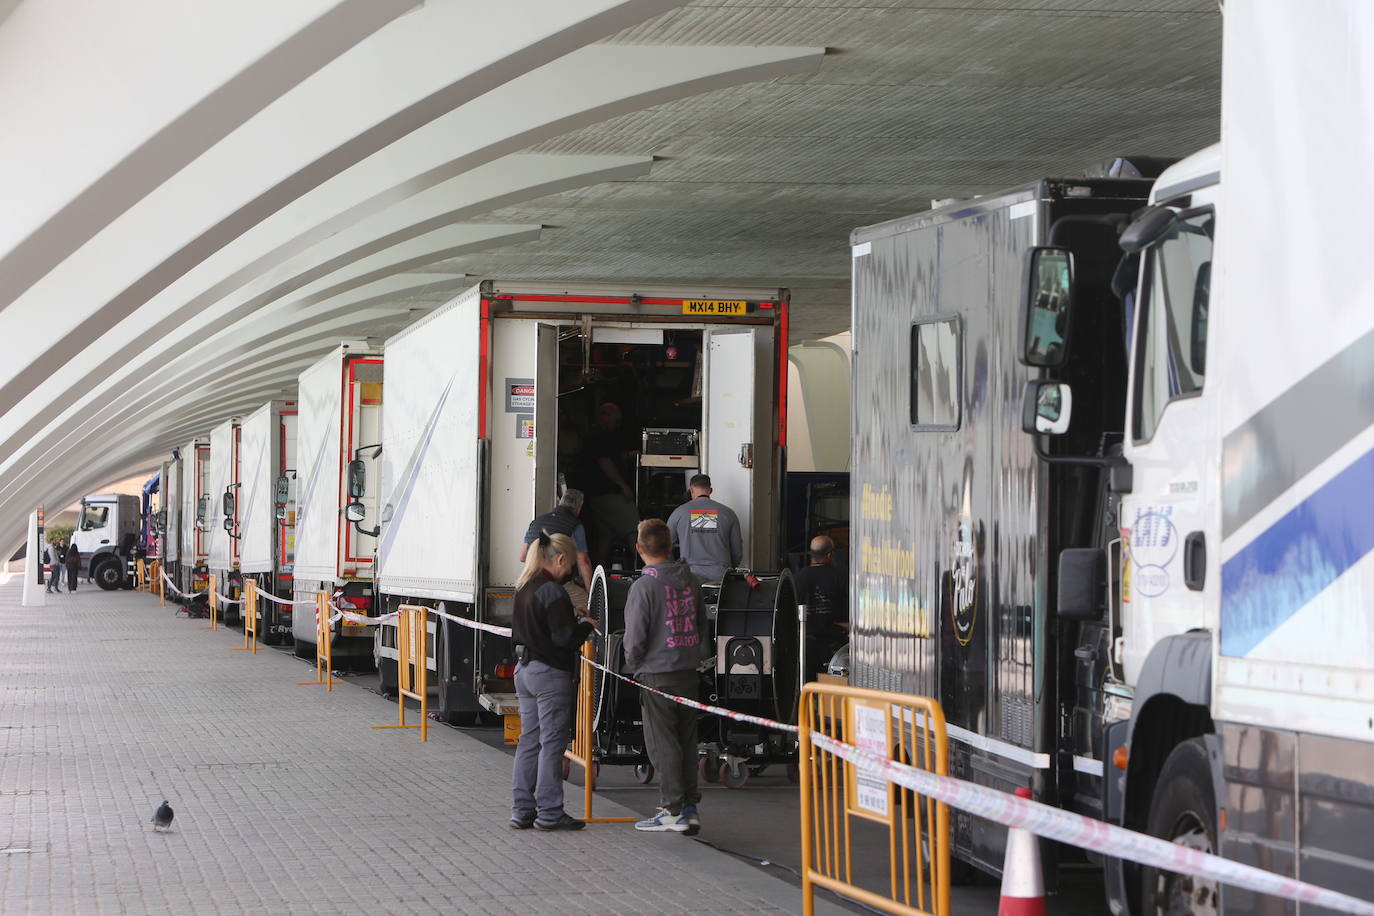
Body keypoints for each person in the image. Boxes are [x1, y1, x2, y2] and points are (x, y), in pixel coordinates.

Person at [622, 518, 709, 835]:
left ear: (639, 549)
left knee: (663, 745)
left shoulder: (643, 587)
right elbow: (701, 624)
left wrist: (632, 664)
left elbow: (635, 637)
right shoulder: (691, 580)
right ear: (670, 546)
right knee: (687, 741)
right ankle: (689, 806)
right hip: (687, 671)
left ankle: (672, 809)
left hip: (656, 673)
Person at [509, 531, 597, 832]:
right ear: (559, 559)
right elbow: (564, 639)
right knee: (552, 743)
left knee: (529, 741)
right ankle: (550, 812)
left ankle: (522, 810)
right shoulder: (553, 591)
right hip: (549, 674)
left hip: (523, 671)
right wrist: (585, 625)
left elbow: (541, 624)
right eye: (569, 565)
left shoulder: (524, 585)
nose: (570, 571)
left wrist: (570, 616)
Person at [582, 402, 640, 566]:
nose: (618, 424)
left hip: (597, 494)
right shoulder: (600, 435)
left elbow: (611, 457)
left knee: (605, 534)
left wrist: (627, 455)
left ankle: (597, 572)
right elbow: (605, 463)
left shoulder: (599, 436)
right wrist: (623, 486)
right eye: (617, 420)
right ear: (605, 416)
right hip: (608, 492)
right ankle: (646, 569)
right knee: (633, 527)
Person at [519, 489, 594, 613]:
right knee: (585, 602)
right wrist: (592, 592)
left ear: (560, 503)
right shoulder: (575, 524)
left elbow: (522, 556)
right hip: (556, 582)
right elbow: (583, 561)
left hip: (530, 580)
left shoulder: (536, 522)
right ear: (578, 509)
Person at [665, 474, 742, 583]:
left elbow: (664, 546)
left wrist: (674, 568)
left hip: (689, 576)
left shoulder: (679, 513)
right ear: (710, 490)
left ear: (691, 490)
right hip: (721, 576)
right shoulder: (728, 513)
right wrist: (727, 568)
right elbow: (737, 551)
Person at [793, 536, 849, 676]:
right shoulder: (841, 577)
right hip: (834, 644)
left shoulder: (798, 577)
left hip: (806, 642)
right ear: (830, 555)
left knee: (808, 686)